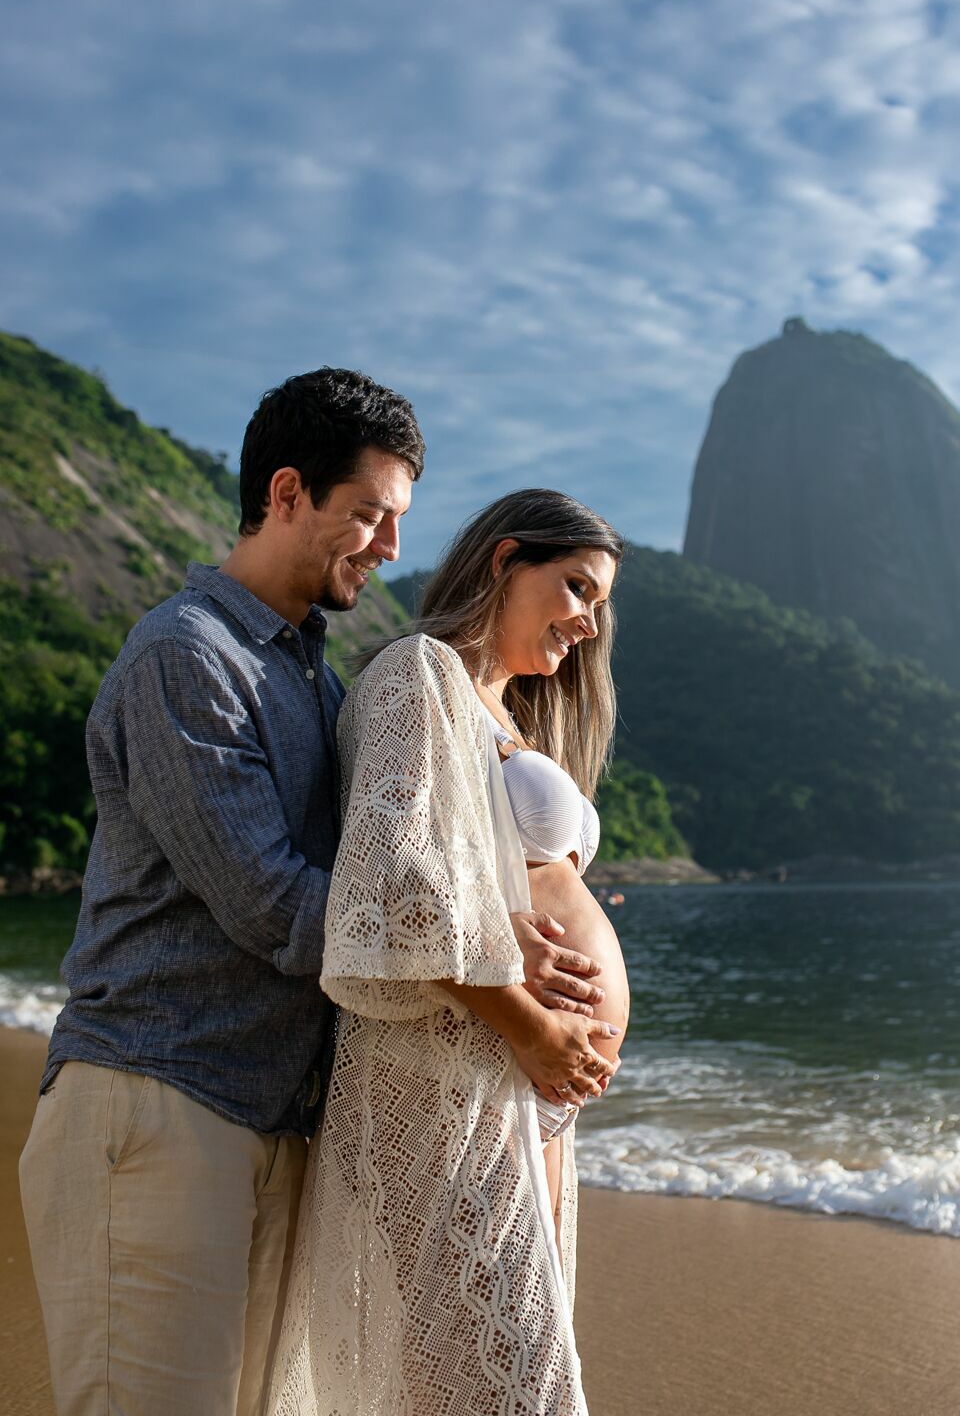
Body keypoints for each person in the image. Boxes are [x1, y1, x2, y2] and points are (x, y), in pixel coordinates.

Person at [19, 375, 604, 1416]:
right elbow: (271, 901)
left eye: (398, 522)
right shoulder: (185, 655)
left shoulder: (311, 679)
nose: (387, 547)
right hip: (159, 1098)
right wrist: (487, 955)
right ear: (286, 492)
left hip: (272, 1112)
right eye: (370, 514)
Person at [268, 489, 629, 1416]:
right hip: (452, 1080)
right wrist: (532, 1025)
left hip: (526, 1097)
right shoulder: (418, 674)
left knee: (486, 1380)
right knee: (506, 1390)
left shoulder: (513, 720)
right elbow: (396, 885)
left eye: (600, 606)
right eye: (576, 586)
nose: (588, 622)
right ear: (506, 560)